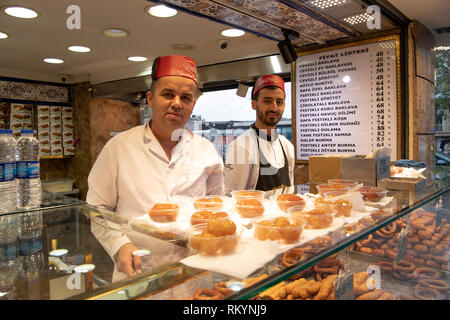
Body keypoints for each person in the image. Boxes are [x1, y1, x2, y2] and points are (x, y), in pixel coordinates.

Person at [86, 55, 224, 280]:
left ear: (193, 104)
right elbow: (97, 207)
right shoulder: (119, 147)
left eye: (186, 97)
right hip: (137, 274)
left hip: (192, 275)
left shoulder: (206, 151)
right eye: (168, 94)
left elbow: (216, 207)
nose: (177, 103)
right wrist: (119, 245)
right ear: (150, 98)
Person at [224, 74, 295, 198]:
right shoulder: (240, 147)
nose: (274, 107)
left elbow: (289, 192)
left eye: (279, 102)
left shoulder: (287, 146)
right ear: (254, 104)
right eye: (267, 101)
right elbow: (231, 198)